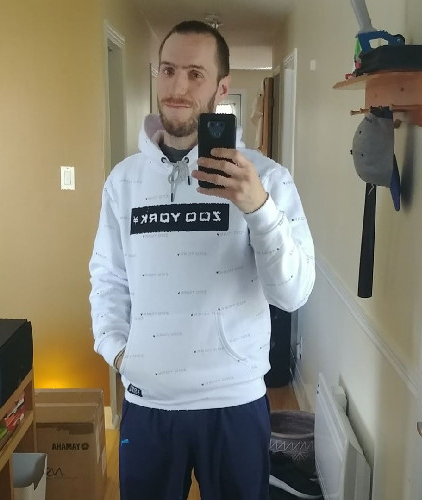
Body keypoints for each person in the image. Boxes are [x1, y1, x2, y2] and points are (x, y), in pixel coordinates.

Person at [89, 20, 315, 500]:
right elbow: (108, 277)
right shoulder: (123, 181)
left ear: (221, 88)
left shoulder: (267, 179)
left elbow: (293, 293)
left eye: (196, 74)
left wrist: (258, 209)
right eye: (169, 70)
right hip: (149, 400)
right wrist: (120, 352)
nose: (178, 87)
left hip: (234, 400)